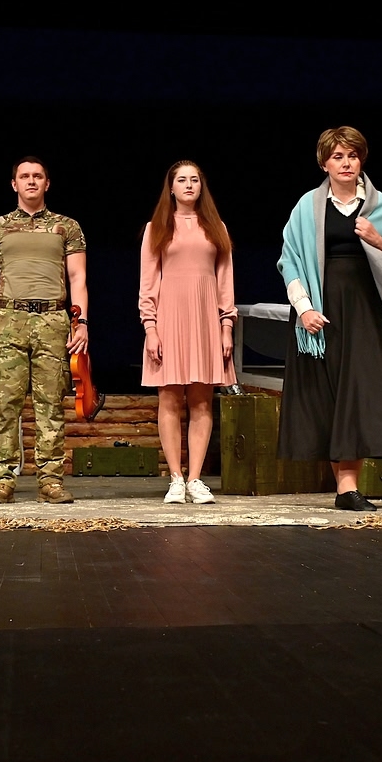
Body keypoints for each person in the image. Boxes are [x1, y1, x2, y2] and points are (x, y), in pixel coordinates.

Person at [277, 127, 382, 513]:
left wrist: (378, 240)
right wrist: (304, 308)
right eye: (338, 156)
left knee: (359, 393)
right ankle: (345, 488)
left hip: (365, 311)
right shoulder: (307, 206)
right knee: (329, 396)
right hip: (322, 310)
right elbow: (290, 261)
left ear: (361, 161)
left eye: (352, 156)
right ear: (324, 163)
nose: (346, 163)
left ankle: (347, 487)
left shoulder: (378, 204)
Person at [0, 156, 88, 505]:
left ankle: (50, 480)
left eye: (38, 176)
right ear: (14, 184)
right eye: (25, 176)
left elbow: (78, 278)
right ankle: (2, 480)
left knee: (50, 404)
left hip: (52, 320)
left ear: (47, 183)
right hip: (8, 319)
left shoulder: (67, 226)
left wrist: (81, 323)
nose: (31, 181)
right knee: (5, 404)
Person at [139, 160, 237, 505]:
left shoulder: (216, 227)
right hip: (169, 318)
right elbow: (148, 282)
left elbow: (225, 281)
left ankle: (195, 478)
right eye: (182, 180)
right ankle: (175, 478)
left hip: (206, 319)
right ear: (172, 187)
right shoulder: (157, 227)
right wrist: (151, 328)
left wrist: (226, 326)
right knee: (169, 398)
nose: (189, 185)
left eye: (195, 179)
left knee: (201, 400)